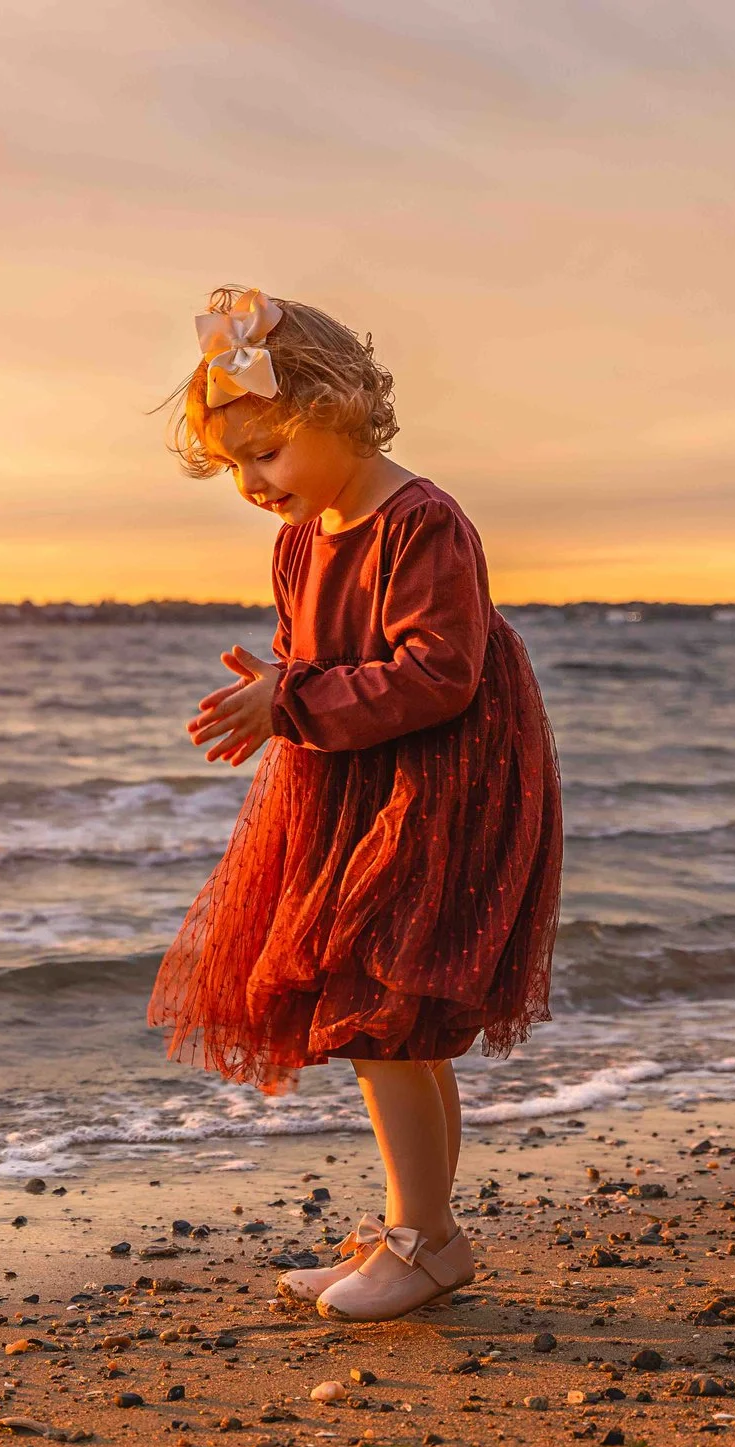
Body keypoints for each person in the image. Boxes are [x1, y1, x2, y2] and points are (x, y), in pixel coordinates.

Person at [149, 287, 563, 1323]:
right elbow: (322, 654)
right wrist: (280, 682)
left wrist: (289, 694)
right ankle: (418, 1233)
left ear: (335, 413)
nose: (250, 484)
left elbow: (439, 676)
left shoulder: (421, 523)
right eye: (234, 466)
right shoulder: (300, 536)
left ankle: (425, 1242)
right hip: (354, 780)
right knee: (392, 1024)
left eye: (268, 455)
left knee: (385, 1015)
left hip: (434, 787)